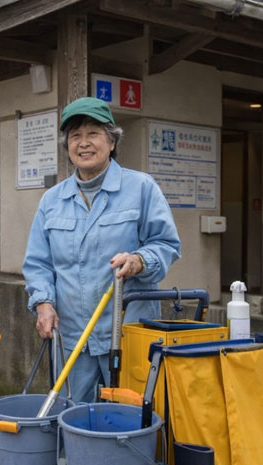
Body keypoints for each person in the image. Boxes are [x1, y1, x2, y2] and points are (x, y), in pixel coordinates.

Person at [22, 96, 181, 404]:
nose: (83, 143)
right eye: (75, 136)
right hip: (72, 337)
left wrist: (139, 260)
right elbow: (39, 264)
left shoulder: (141, 188)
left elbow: (166, 244)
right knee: (69, 415)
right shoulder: (52, 200)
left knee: (131, 416)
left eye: (93, 133)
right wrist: (42, 303)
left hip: (127, 333)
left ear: (112, 141)